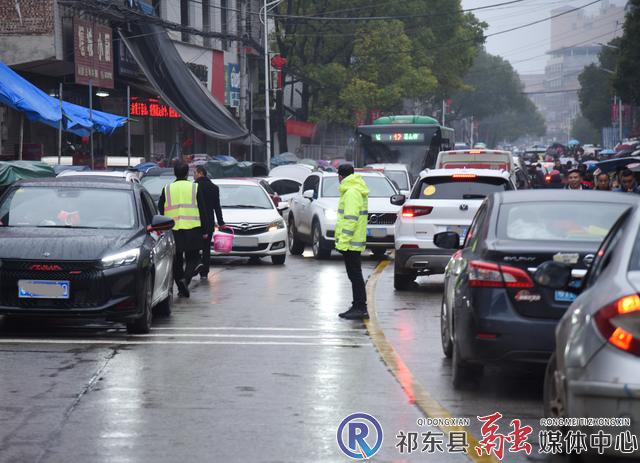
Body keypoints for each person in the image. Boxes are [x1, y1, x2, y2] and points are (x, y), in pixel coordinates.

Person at [158, 162, 211, 298]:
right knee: (192, 258)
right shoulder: (194, 187)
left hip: (173, 230)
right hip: (192, 228)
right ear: (187, 173)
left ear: (175, 173)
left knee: (176, 260)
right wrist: (205, 230)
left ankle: (181, 282)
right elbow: (202, 209)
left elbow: (160, 208)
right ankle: (185, 281)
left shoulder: (167, 188)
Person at [335, 164, 369, 320]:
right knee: (354, 274)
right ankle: (357, 305)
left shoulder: (351, 192)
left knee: (355, 275)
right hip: (353, 242)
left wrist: (343, 242)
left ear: (341, 176)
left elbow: (350, 219)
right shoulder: (354, 189)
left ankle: (360, 307)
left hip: (351, 243)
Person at [194, 166, 225, 280]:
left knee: (195, 247)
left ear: (200, 173)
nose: (194, 175)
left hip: (196, 222)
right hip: (209, 222)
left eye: (195, 173)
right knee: (206, 248)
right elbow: (217, 206)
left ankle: (195, 266)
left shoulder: (194, 187)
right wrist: (221, 222)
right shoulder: (214, 188)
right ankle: (204, 272)